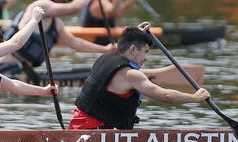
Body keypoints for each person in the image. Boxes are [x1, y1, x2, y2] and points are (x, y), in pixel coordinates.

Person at [68, 23, 208, 130]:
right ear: (133, 49)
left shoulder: (105, 57)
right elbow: (165, 96)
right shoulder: (132, 75)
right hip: (93, 132)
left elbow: (126, 40)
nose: (146, 58)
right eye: (145, 52)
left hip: (77, 127)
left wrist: (137, 32)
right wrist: (195, 97)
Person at [0, 0, 113, 76]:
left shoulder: (56, 23)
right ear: (51, 0)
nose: (64, 4)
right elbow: (74, 8)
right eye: (62, 1)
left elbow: (75, 43)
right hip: (6, 68)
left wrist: (105, 49)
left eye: (66, 2)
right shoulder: (40, 6)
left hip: (25, 72)